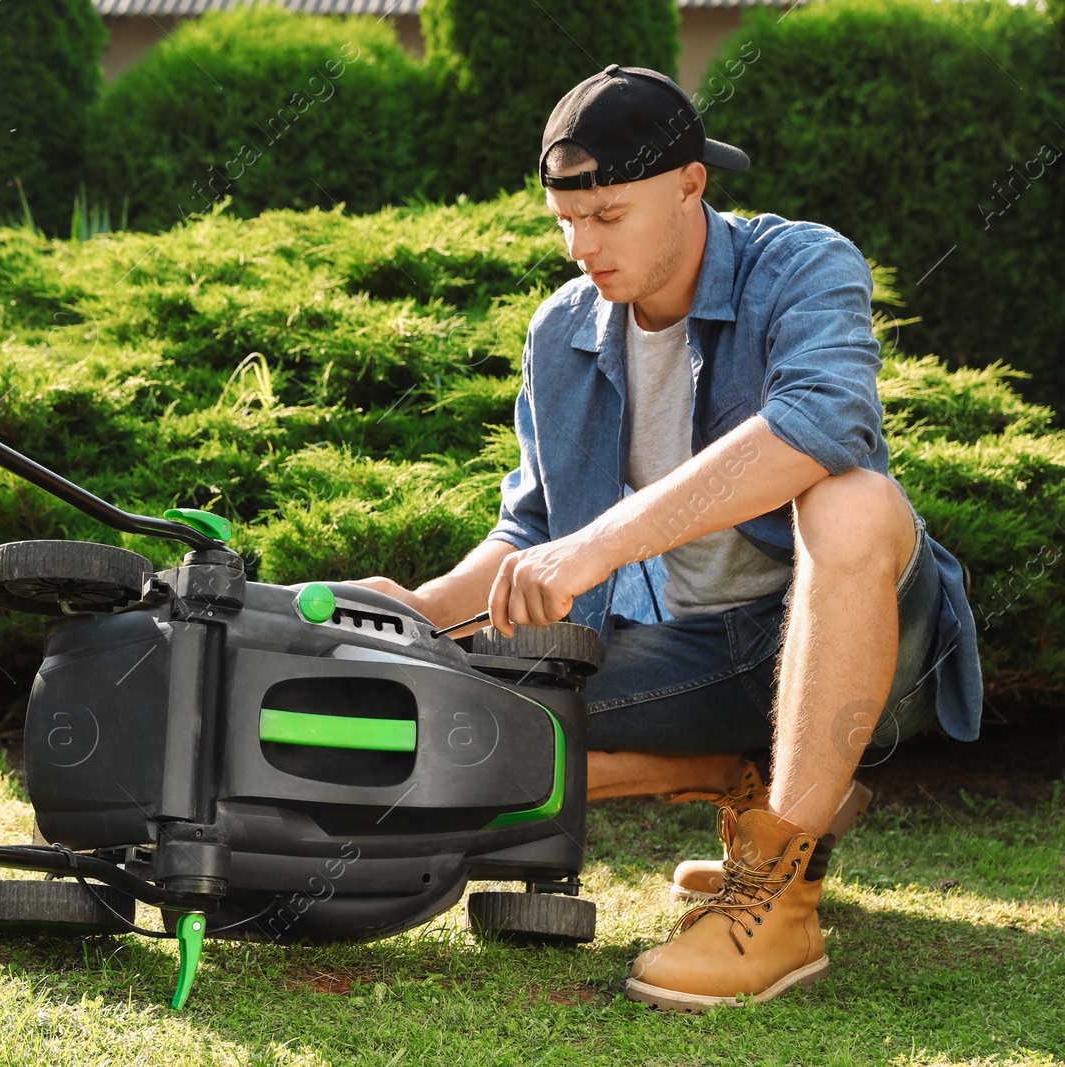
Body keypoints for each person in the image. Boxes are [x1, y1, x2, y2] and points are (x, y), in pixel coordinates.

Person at [354, 65, 982, 1011]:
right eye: (566, 220)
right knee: (482, 727)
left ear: (691, 184)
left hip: (875, 641)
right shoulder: (561, 331)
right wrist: (421, 609)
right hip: (703, 650)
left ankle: (778, 895)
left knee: (851, 499)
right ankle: (742, 775)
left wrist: (599, 547)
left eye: (608, 216)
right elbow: (531, 530)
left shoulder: (804, 265)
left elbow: (822, 421)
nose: (581, 247)